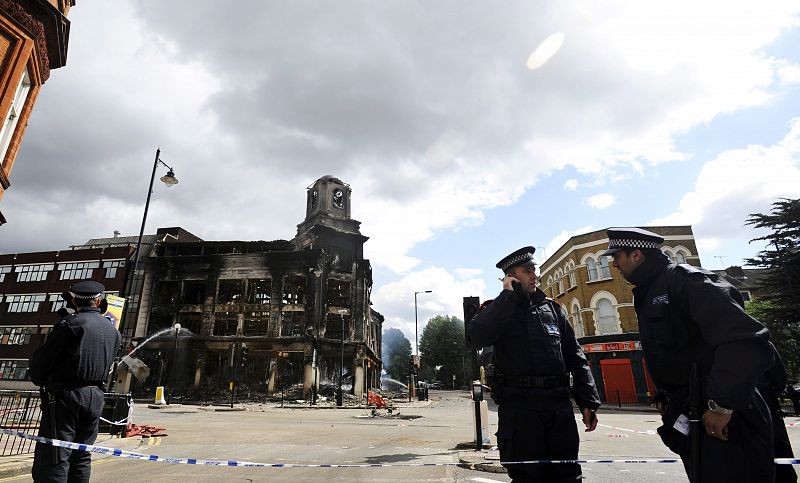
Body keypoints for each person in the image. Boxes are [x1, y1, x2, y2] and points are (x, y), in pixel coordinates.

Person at [602, 227, 776, 482]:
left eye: (617, 256)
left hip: (724, 414)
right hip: (693, 410)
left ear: (636, 255)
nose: (615, 264)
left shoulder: (688, 281)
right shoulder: (651, 291)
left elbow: (746, 341)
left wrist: (722, 405)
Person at [467, 246, 600, 482]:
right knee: (527, 478)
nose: (534, 275)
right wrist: (506, 297)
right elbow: (476, 337)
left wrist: (588, 401)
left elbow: (575, 357)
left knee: (568, 476)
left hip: (558, 410)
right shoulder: (498, 309)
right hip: (521, 413)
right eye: (527, 271)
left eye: (534, 270)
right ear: (511, 277)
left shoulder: (553, 310)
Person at [28, 280, 121, 483]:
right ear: (98, 301)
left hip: (66, 397)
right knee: (82, 455)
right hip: (95, 397)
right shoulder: (113, 330)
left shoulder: (70, 324)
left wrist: (40, 377)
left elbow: (42, 363)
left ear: (74, 301)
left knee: (55, 456)